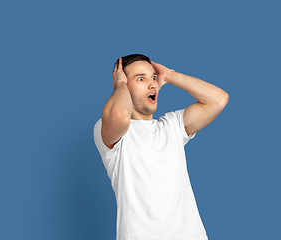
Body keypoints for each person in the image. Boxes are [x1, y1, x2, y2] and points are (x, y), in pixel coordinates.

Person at [93, 54, 229, 240]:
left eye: (153, 77)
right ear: (124, 82)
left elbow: (218, 99)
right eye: (141, 78)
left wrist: (169, 75)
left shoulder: (172, 125)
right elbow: (120, 114)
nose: (153, 84)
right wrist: (119, 85)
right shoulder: (112, 132)